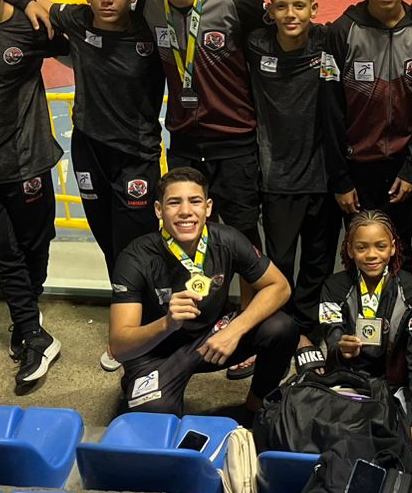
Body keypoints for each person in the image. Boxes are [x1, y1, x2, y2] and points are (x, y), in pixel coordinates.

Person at [108, 168, 296, 416]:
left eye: (195, 201)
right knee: (154, 413)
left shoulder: (228, 240)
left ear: (207, 208)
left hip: (211, 338)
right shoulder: (135, 257)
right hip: (156, 351)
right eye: (174, 202)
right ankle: (141, 382)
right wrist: (167, 323)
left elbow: (280, 286)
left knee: (282, 327)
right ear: (158, 210)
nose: (186, 211)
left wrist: (234, 330)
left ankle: (255, 407)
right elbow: (119, 347)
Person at [134, 0, 266, 245]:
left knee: (244, 239)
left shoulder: (234, 2)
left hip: (235, 143)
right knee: (190, 237)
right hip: (184, 145)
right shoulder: (149, 8)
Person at [40, 0, 163, 295]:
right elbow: (29, 0)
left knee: (137, 245)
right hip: (88, 149)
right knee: (107, 240)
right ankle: (126, 309)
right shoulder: (78, 20)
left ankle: (148, 311)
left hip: (136, 155)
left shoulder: (150, 28)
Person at [321, 0, 412, 266]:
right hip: (356, 171)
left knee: (402, 254)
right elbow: (330, 112)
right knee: (359, 255)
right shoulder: (342, 32)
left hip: (403, 169)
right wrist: (341, 179)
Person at [248, 0, 340, 351]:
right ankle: (278, 330)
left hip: (323, 177)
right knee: (279, 263)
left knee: (318, 263)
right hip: (277, 179)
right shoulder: (255, 44)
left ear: (313, 9)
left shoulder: (329, 41)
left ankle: (304, 330)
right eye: (281, 6)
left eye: (299, 6)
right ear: (270, 10)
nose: (290, 14)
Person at [319, 213, 412, 448]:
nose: (371, 255)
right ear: (350, 250)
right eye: (362, 247)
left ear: (393, 247)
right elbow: (332, 340)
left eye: (380, 246)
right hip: (348, 378)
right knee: (333, 439)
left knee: (399, 444)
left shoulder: (411, 290)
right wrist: (341, 349)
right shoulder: (333, 287)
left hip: (393, 384)